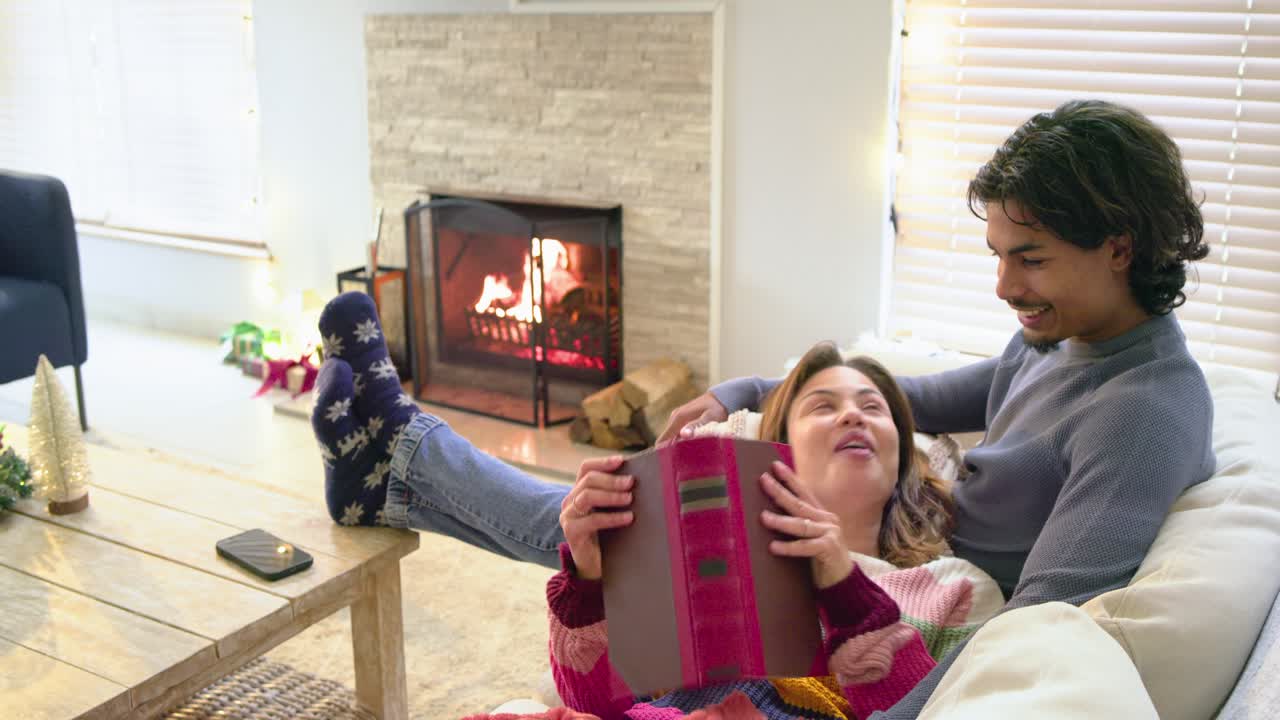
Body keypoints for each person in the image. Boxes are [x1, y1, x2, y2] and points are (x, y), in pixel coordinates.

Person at [311, 99, 1215, 717]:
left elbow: (1031, 637)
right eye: (998, 253)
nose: (1003, 283)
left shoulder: (1143, 414)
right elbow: (918, 398)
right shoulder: (1061, 334)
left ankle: (399, 455)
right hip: (872, 541)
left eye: (1030, 257)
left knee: (642, 532)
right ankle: (392, 467)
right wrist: (749, 393)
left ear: (1119, 246)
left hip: (909, 592)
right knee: (615, 520)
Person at [543, 343, 1003, 720]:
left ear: (901, 454)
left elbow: (933, 712)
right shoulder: (702, 566)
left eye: (872, 408)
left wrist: (847, 590)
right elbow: (595, 708)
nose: (852, 416)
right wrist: (588, 582)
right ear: (777, 449)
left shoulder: (958, 587)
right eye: (823, 406)